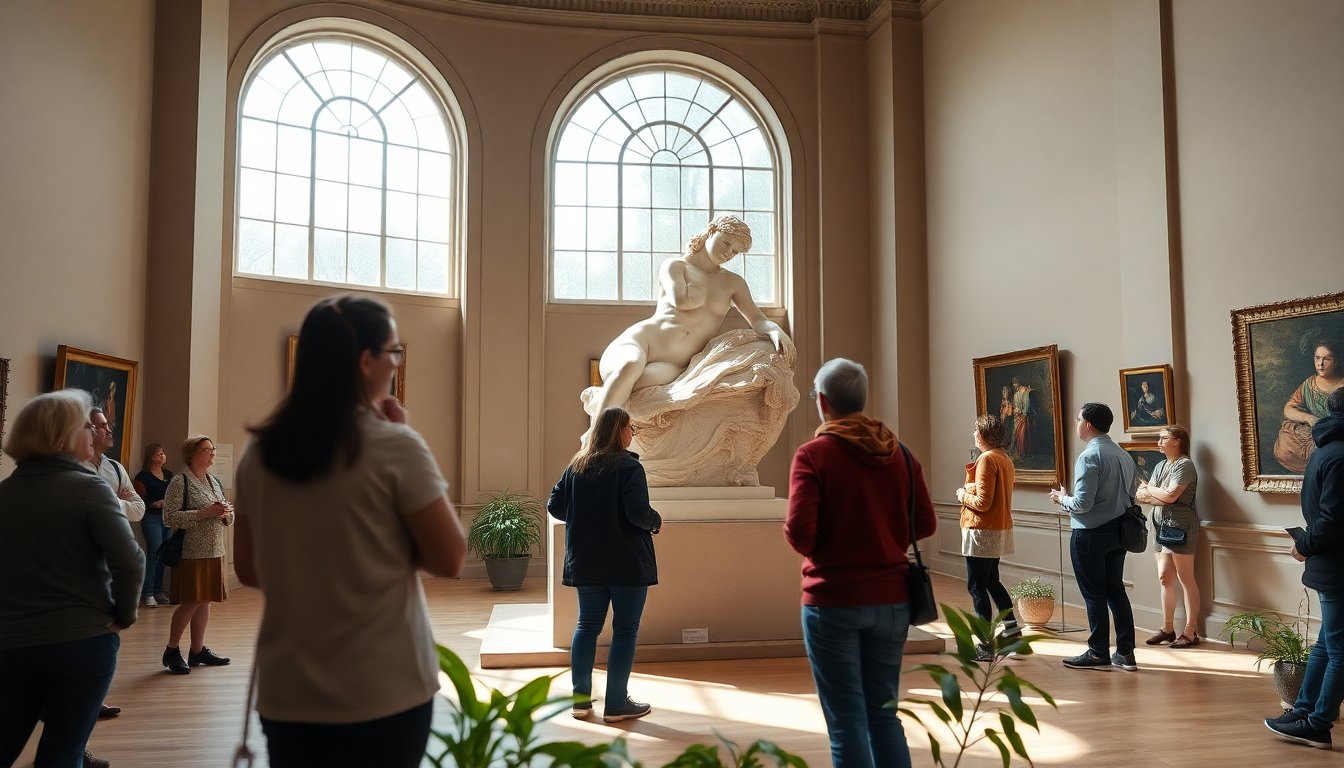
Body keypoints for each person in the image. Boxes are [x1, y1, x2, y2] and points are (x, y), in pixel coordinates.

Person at [233, 295, 467, 768]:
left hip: (289, 692)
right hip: (384, 689)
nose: (396, 363)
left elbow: (251, 570)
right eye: (393, 351)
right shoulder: (395, 446)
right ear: (365, 361)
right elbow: (449, 559)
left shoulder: (259, 453)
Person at [784, 358, 936, 768]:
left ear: (822, 402)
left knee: (847, 721)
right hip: (892, 600)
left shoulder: (814, 455)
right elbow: (925, 522)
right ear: (862, 400)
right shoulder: (900, 454)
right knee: (884, 715)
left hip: (832, 601)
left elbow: (800, 535)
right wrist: (883, 541)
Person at [0, 390, 144, 768]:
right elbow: (129, 561)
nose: (93, 434)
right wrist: (124, 614)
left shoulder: (5, 493)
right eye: (86, 426)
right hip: (81, 641)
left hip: (11, 643)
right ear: (63, 434)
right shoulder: (89, 488)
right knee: (62, 755)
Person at [583, 215, 794, 444]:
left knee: (632, 390)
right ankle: (594, 444)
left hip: (674, 365)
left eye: (734, 252)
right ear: (711, 231)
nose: (728, 253)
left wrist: (774, 330)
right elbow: (681, 300)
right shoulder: (676, 265)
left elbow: (757, 318)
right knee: (629, 366)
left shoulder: (733, 283)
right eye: (725, 243)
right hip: (642, 342)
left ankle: (605, 430)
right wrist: (697, 294)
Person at [547, 406, 662, 723]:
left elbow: (555, 505)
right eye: (631, 429)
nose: (632, 435)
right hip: (627, 563)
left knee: (586, 627)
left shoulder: (577, 466)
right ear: (620, 430)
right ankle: (616, 704)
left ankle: (581, 702)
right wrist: (656, 522)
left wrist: (587, 519)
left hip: (588, 562)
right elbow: (638, 513)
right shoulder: (629, 467)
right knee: (625, 633)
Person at [1269, 387, 1344, 750]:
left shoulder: (1326, 450)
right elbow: (1332, 518)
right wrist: (1306, 543)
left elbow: (1329, 517)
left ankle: (1311, 718)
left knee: (1330, 645)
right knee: (1332, 646)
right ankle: (1309, 717)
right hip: (1336, 562)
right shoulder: (1339, 454)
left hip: (1331, 561)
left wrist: (1305, 543)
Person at [1049, 402, 1139, 672]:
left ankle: (1098, 651)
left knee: (1094, 595)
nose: (1076, 423)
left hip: (1090, 535)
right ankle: (1125, 653)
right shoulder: (1123, 455)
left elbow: (1082, 505)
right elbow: (1129, 496)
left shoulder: (1089, 456)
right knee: (1116, 592)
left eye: (1078, 419)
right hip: (1119, 532)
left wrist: (1061, 498)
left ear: (1087, 424)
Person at [160, 434, 233, 674]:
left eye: (213, 449)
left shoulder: (214, 481)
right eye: (207, 449)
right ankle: (171, 650)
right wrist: (204, 513)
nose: (212, 453)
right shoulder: (180, 482)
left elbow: (227, 515)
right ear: (192, 454)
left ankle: (197, 650)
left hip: (214, 549)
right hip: (192, 551)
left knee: (205, 600)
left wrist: (224, 514)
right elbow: (169, 517)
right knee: (192, 600)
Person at [955, 413, 1019, 661]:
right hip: (998, 529)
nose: (973, 434)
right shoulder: (1005, 458)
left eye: (976, 431)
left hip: (981, 531)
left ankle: (985, 646)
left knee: (977, 587)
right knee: (993, 582)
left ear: (984, 435)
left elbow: (982, 502)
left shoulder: (987, 459)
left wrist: (962, 494)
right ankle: (1013, 637)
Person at [1138, 425, 1201, 648]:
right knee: (1165, 577)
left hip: (1180, 526)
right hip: (1159, 524)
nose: (1158, 442)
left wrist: (1152, 489)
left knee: (1186, 579)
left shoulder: (1185, 466)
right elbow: (1143, 495)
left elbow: (1171, 495)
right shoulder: (1161, 465)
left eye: (1163, 438)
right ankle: (1167, 628)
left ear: (1177, 441)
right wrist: (1157, 493)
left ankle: (1191, 631)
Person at [1274, 335, 1344, 473]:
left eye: (1327, 359)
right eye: (1317, 358)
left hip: (1334, 432)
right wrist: (1308, 417)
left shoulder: (1342, 384)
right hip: (1313, 429)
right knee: (1285, 436)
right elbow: (1289, 408)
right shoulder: (1309, 384)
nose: (1320, 364)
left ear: (1335, 362)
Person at [133, 443, 173, 607]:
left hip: (167, 518)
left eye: (163, 453)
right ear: (150, 457)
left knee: (164, 555)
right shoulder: (143, 477)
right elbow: (139, 499)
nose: (161, 456)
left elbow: (175, 494)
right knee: (154, 553)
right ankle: (147, 592)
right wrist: (154, 504)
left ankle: (159, 590)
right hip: (151, 517)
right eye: (157, 454)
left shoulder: (169, 474)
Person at [1010, 376, 1034, 457]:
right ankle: (1020, 451)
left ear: (1019, 382)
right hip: (1018, 417)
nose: (1014, 385)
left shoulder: (1025, 391)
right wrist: (1016, 410)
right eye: (1013, 383)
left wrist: (1023, 412)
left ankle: (1024, 451)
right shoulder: (1016, 394)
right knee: (1018, 434)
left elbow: (1027, 406)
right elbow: (1015, 406)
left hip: (1024, 417)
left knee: (1023, 434)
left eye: (1015, 383)